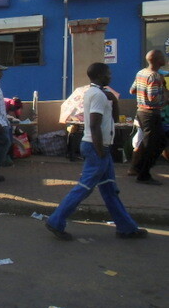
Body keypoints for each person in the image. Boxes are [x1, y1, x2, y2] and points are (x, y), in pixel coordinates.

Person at [46, 63, 147, 240]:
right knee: (84, 188)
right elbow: (93, 125)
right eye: (108, 74)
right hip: (95, 147)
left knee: (110, 190)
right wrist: (100, 151)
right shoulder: (97, 95)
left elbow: (113, 119)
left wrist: (114, 101)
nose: (111, 76)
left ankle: (126, 227)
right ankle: (56, 220)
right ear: (100, 75)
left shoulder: (99, 94)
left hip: (100, 148)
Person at [128, 50, 167, 185]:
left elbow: (132, 90)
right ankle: (143, 174)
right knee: (154, 144)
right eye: (163, 57)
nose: (165, 58)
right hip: (151, 113)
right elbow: (153, 98)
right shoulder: (155, 76)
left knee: (153, 143)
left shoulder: (141, 73)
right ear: (157, 60)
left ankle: (139, 169)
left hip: (142, 112)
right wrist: (165, 95)